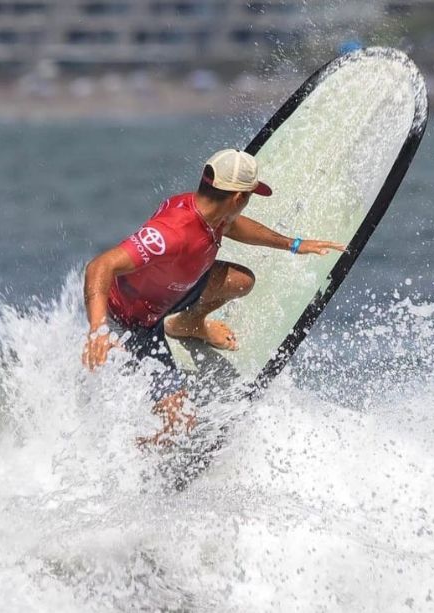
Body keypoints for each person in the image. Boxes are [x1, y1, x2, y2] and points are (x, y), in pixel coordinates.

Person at [81, 149, 344, 444]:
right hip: (133, 322)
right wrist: (98, 329)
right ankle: (136, 457)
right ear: (237, 198)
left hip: (176, 292)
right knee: (180, 423)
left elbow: (234, 226)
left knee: (241, 281)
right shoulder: (170, 232)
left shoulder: (213, 214)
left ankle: (189, 325)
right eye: (249, 196)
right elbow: (100, 266)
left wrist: (294, 244)